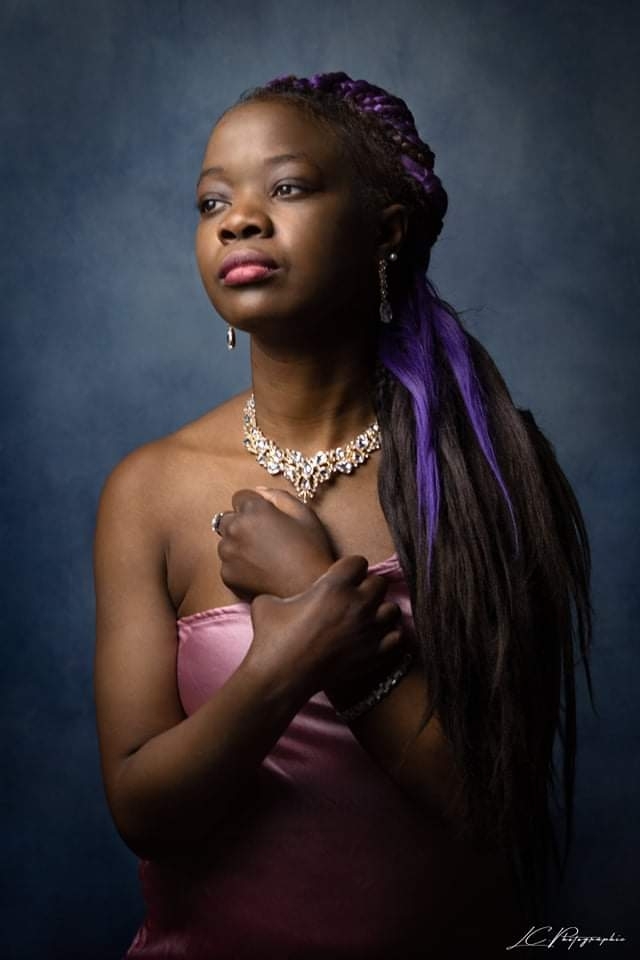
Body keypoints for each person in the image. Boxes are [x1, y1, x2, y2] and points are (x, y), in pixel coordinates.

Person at [93, 72, 595, 958]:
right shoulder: (150, 490)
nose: (239, 220)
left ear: (385, 231)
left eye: (287, 187)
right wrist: (283, 662)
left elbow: (494, 811)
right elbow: (144, 813)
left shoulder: (488, 467)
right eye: (213, 201)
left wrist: (313, 592)